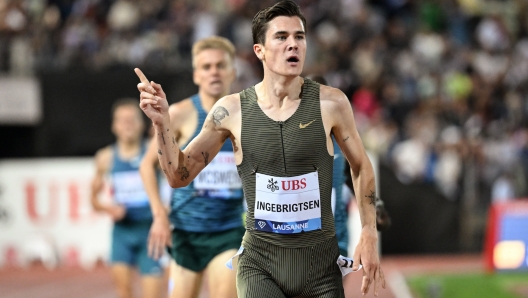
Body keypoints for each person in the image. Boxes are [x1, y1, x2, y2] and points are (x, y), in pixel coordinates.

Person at [135, 1, 385, 297]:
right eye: (281, 37)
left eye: (299, 37)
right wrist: (162, 124)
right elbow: (179, 175)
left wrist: (368, 230)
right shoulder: (230, 111)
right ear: (259, 51)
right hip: (259, 266)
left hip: (320, 270)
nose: (293, 44)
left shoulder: (331, 104)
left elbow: (361, 165)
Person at [138, 36, 244, 298]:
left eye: (221, 65)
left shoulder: (246, 115)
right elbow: (146, 165)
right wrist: (159, 214)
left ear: (233, 72)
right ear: (196, 75)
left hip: (228, 231)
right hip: (186, 231)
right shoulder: (181, 113)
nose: (214, 72)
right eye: (206, 67)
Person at [91, 99, 164, 298]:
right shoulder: (105, 157)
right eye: (122, 121)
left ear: (142, 124)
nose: (128, 124)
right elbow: (94, 201)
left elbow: (174, 184)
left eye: (132, 119)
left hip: (150, 234)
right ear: (114, 126)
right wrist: (109, 209)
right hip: (122, 234)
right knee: (124, 293)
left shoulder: (154, 151)